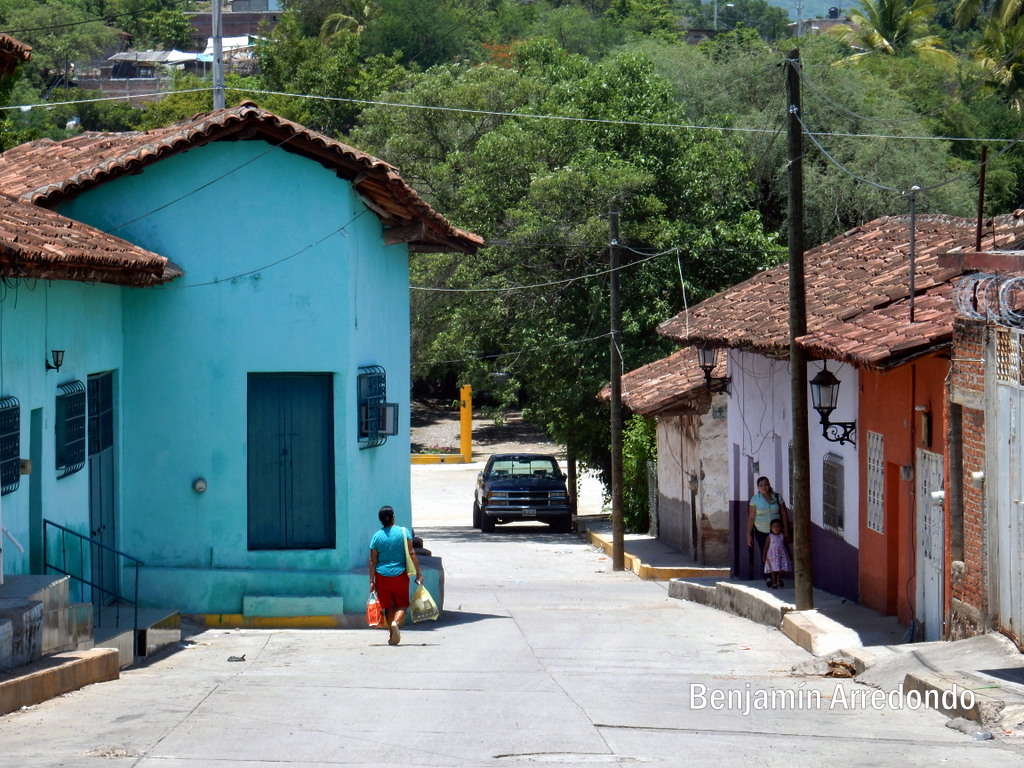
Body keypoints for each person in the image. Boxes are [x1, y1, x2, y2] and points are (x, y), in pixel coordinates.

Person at [369, 505, 422, 645]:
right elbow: (411, 553)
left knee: (388, 606)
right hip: (400, 575)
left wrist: (371, 581)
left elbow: (373, 561)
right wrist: (419, 573)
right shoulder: (403, 532)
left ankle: (392, 636)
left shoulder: (376, 537)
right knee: (402, 604)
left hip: (381, 576)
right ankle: (395, 623)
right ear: (393, 517)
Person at [747, 476, 790, 585]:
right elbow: (751, 517)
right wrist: (748, 534)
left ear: (769, 485)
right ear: (758, 487)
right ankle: (768, 576)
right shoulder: (755, 499)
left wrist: (786, 530)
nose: (764, 487)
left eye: (765, 484)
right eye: (761, 485)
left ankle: (780, 575)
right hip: (761, 531)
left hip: (777, 531)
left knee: (781, 552)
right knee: (765, 553)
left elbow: (784, 513)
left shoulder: (777, 497)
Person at [763, 517, 792, 589]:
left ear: (781, 527)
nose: (776, 528)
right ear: (771, 528)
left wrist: (789, 554)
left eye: (778, 526)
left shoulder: (782, 536)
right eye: (774, 527)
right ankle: (774, 583)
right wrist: (764, 556)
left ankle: (780, 577)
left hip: (782, 555)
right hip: (773, 556)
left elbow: (786, 545)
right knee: (774, 570)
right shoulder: (770, 537)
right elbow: (766, 547)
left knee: (783, 568)